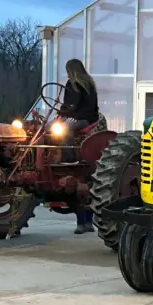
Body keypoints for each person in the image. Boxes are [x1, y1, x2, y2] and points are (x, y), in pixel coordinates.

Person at [56, 58, 100, 234]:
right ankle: (53, 155)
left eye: (68, 70)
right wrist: (62, 112)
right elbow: (68, 105)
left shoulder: (85, 85)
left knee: (65, 128)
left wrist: (70, 115)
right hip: (73, 116)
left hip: (84, 118)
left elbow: (87, 108)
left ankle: (68, 157)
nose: (67, 73)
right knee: (50, 128)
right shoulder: (72, 84)